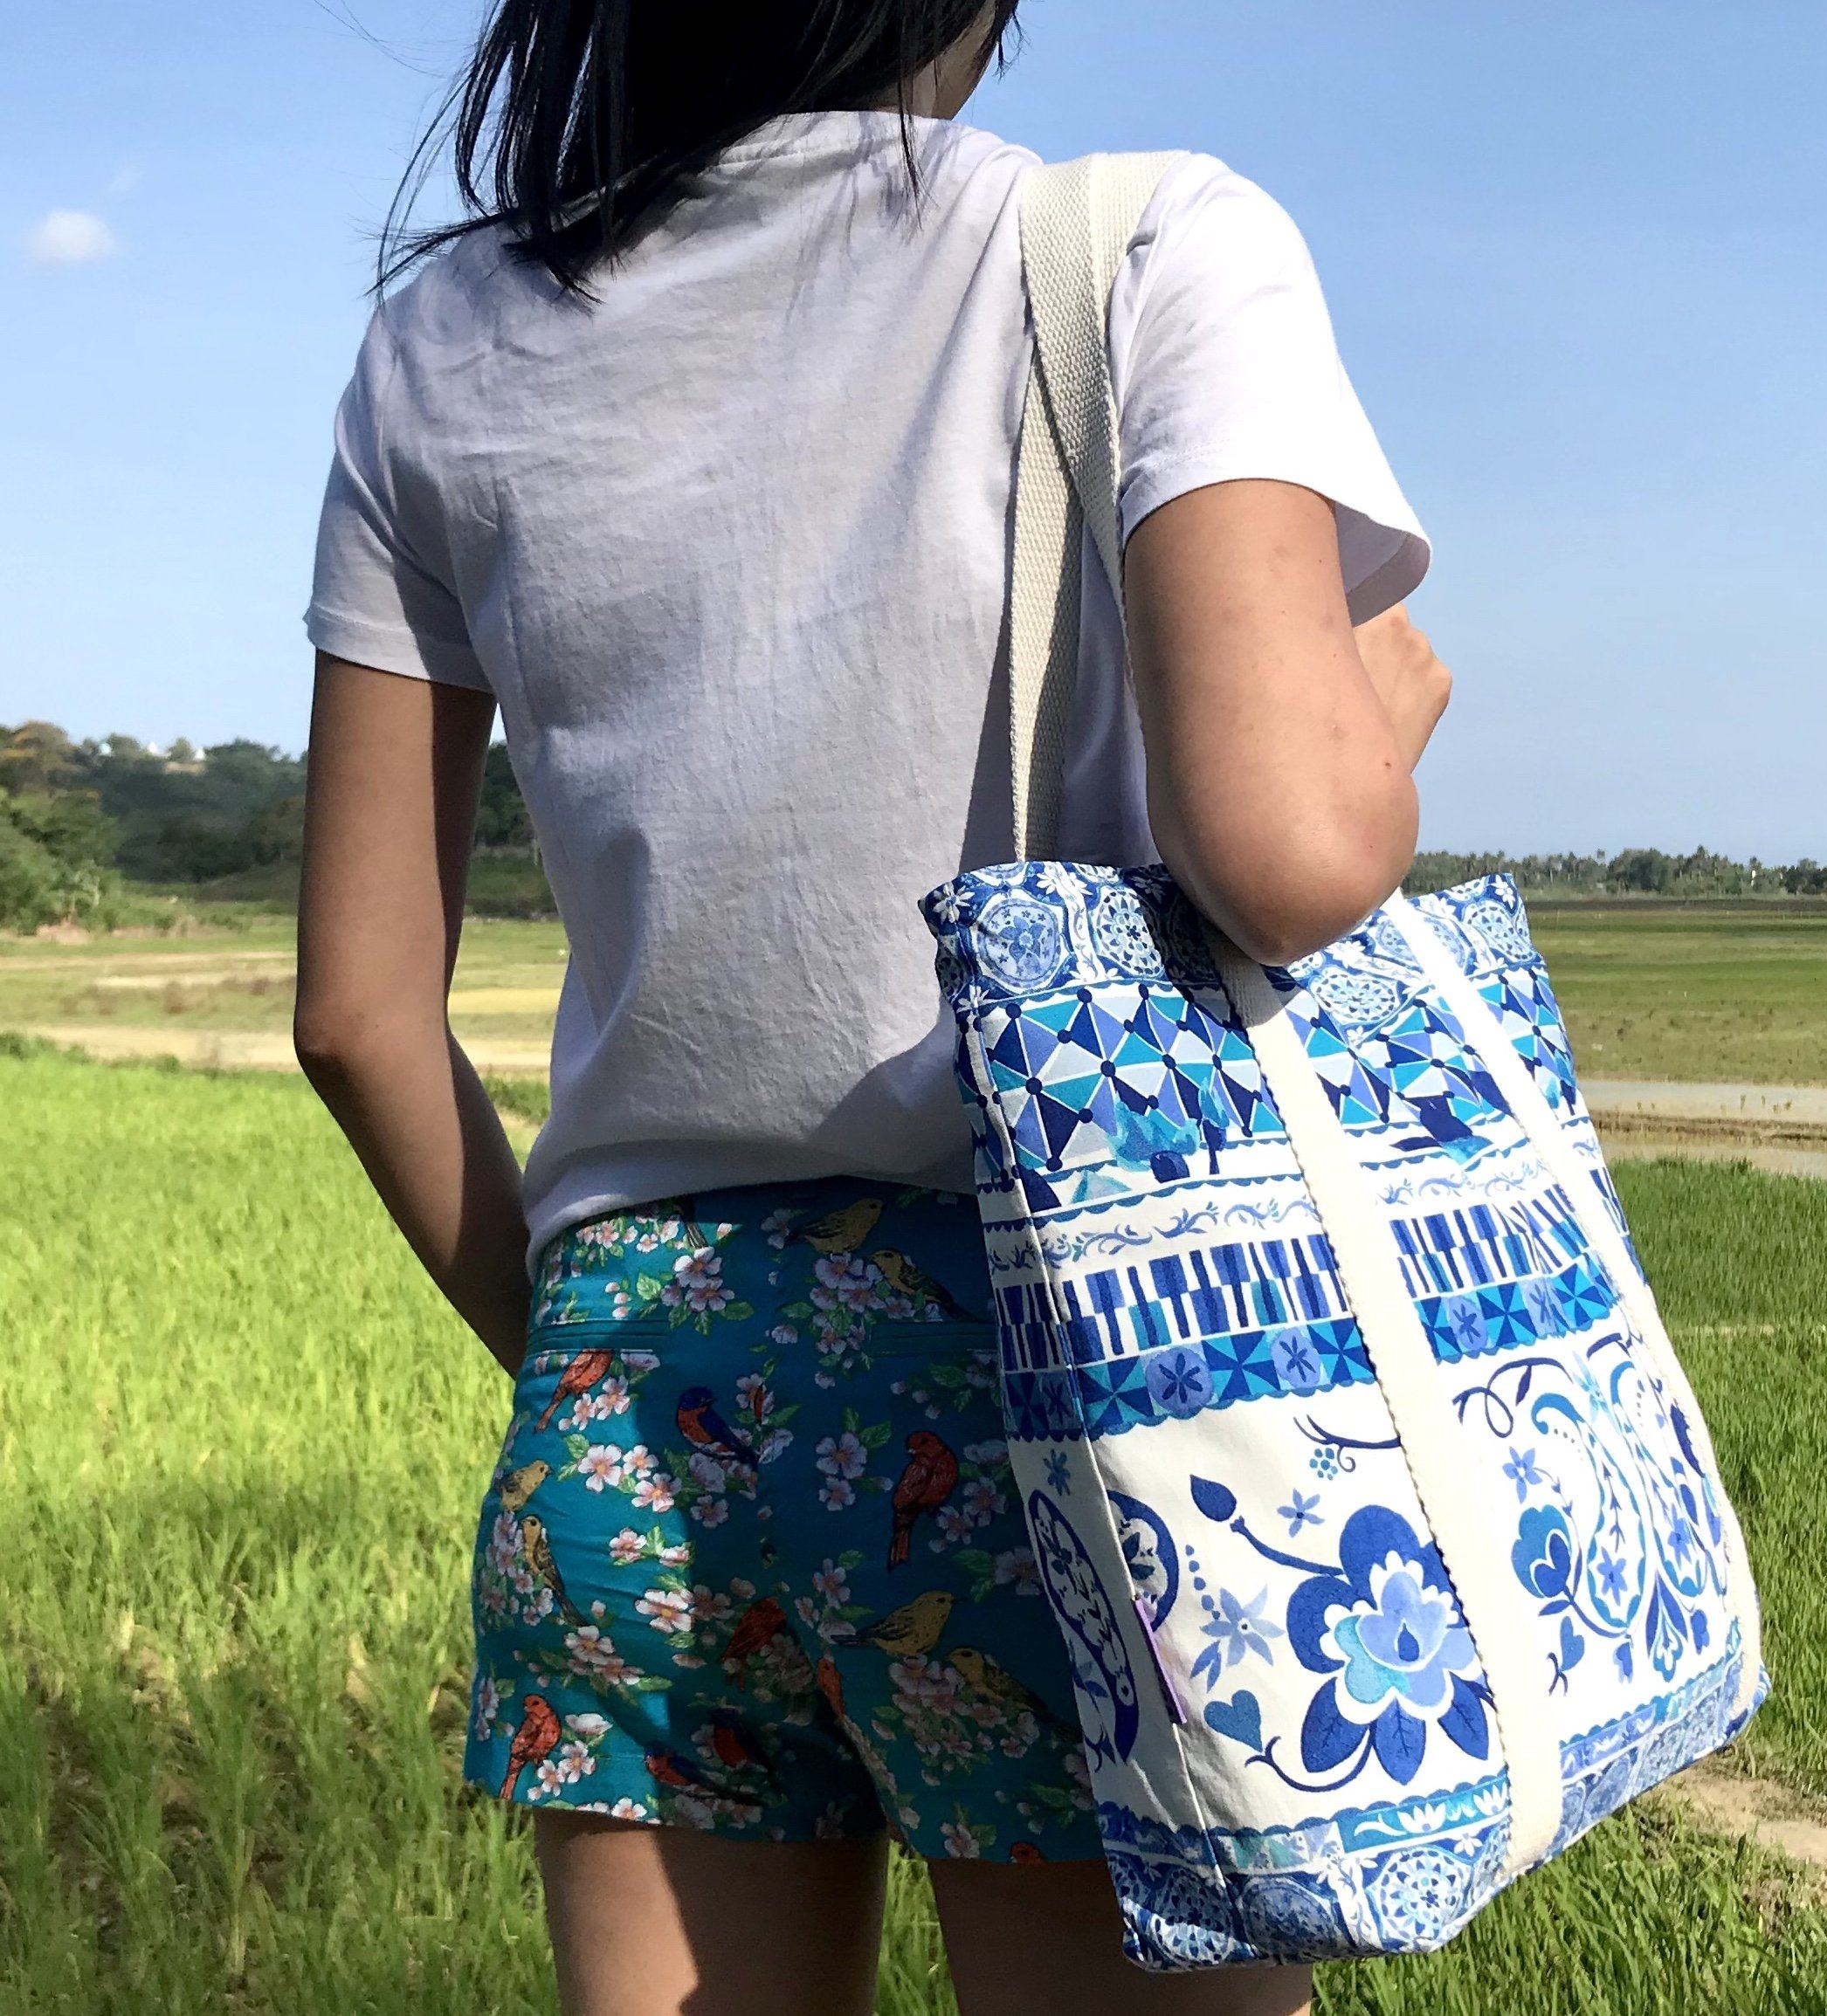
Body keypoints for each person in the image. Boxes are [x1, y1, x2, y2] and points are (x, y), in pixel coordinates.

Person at [296, 3, 1451, 2011]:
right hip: (1069, 1388)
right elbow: (1288, 849)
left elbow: (356, 1013)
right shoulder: (1150, 248)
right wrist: (1389, 705)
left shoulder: (446, 344)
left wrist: (595, 1353)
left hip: (641, 1383)